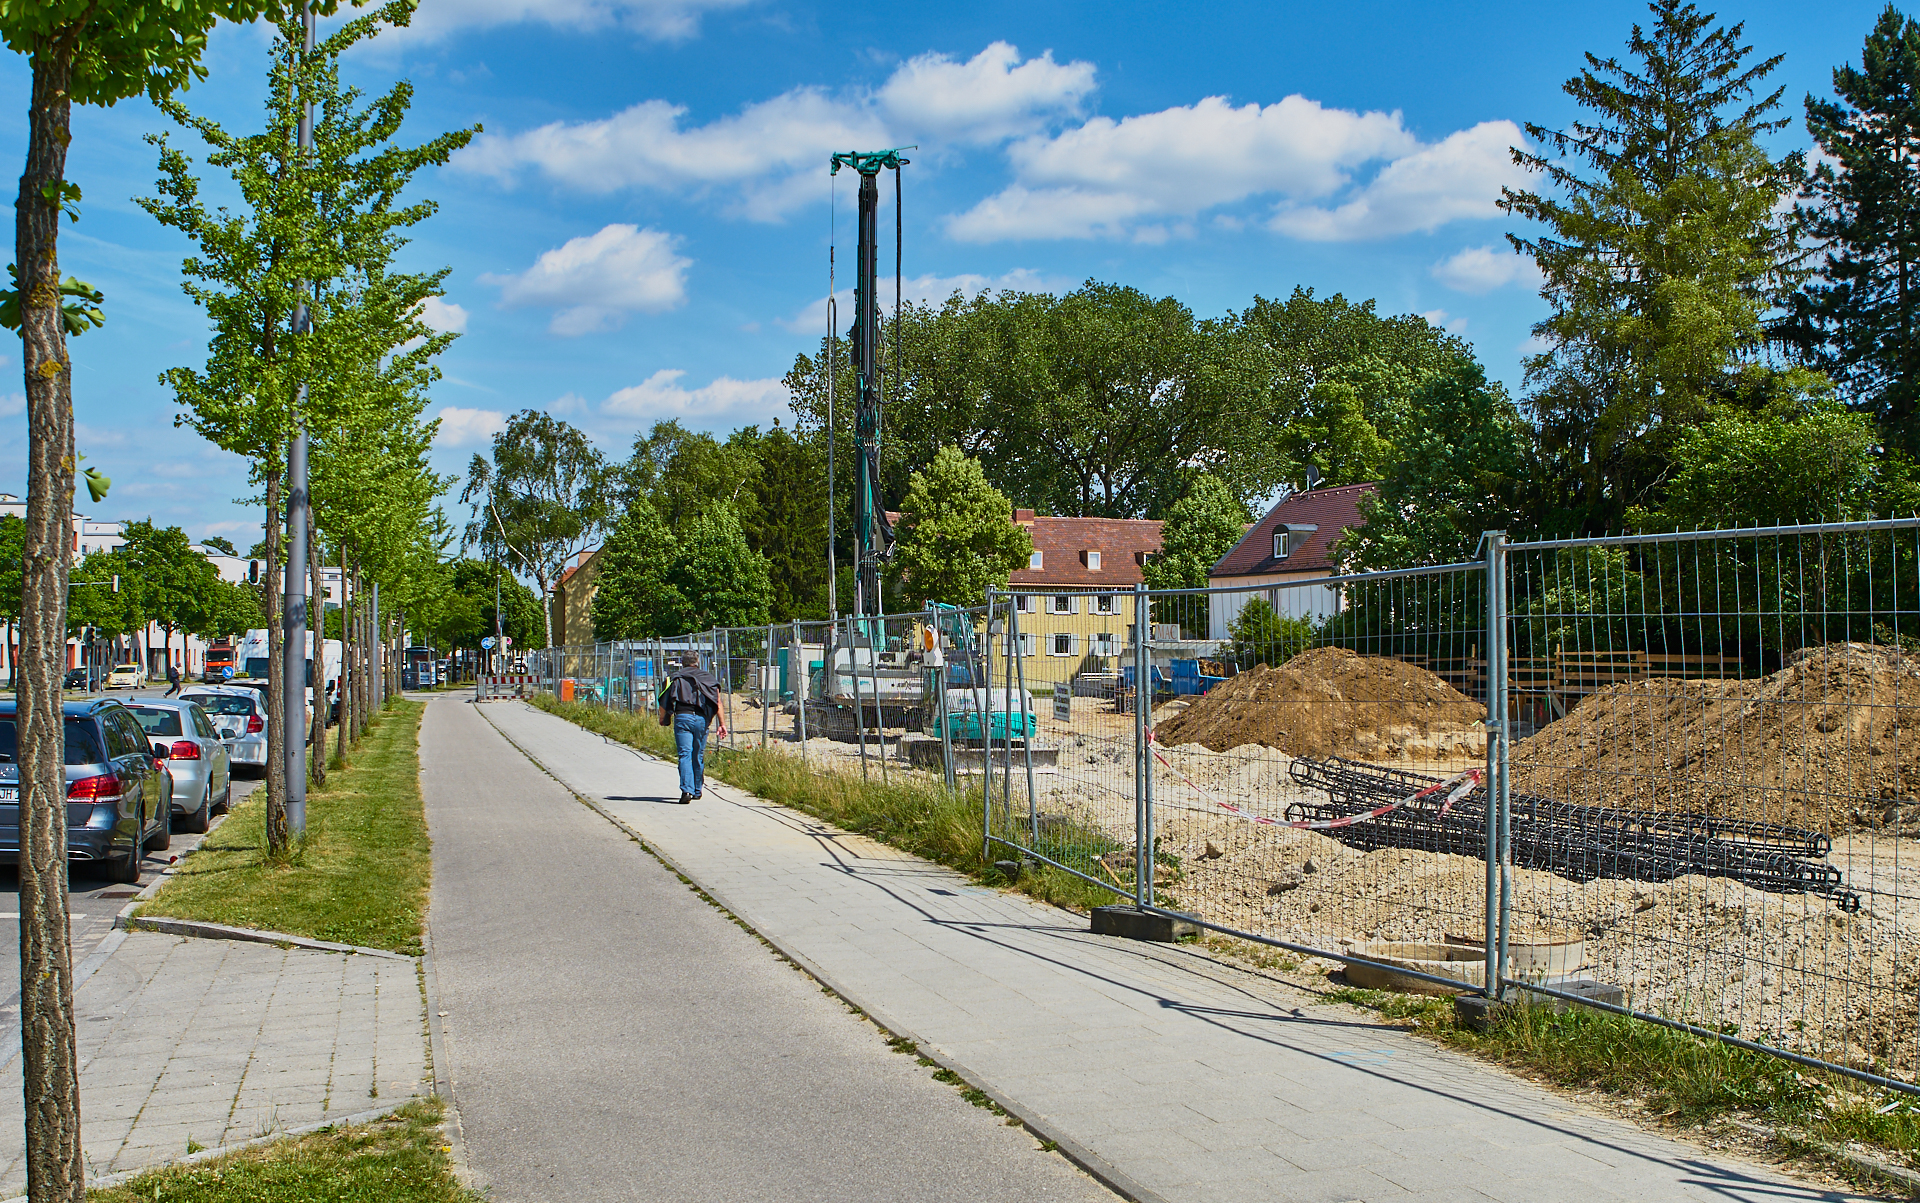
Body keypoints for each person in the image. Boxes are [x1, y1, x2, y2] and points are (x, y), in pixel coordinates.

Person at [660, 652, 723, 803]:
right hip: (702, 719)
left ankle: (686, 791)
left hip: (683, 717)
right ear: (698, 661)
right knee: (698, 755)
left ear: (682, 662)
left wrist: (662, 718)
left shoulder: (674, 678)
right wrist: (722, 724)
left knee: (684, 754)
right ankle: (697, 790)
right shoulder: (708, 678)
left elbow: (663, 700)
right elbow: (718, 702)